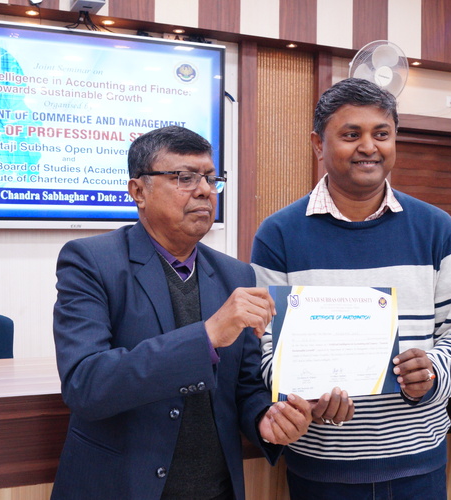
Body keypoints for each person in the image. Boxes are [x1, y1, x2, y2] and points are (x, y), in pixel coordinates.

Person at [251, 78, 451, 499]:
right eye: (350, 134)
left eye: (381, 134)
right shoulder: (278, 235)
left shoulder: (436, 227)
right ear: (318, 144)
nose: (368, 147)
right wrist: (299, 392)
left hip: (418, 466)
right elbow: (262, 345)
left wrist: (433, 371)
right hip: (320, 470)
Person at [52, 126, 312, 500]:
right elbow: (86, 385)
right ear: (138, 191)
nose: (204, 190)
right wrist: (206, 337)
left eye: (210, 178)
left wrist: (264, 418)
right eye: (184, 178)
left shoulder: (236, 274)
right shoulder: (90, 261)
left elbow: (245, 387)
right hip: (122, 488)